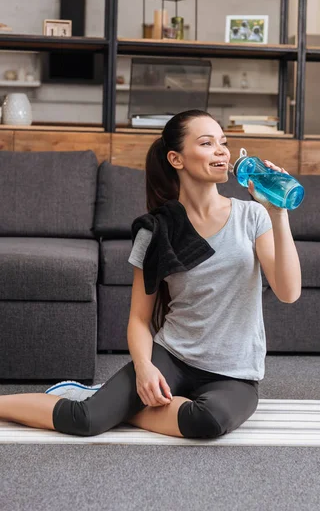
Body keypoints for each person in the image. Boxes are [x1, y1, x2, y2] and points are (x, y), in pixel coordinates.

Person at [0, 110, 301, 439]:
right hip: (171, 356)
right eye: (207, 143)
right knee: (85, 419)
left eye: (223, 143)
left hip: (233, 374)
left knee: (208, 422)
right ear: (176, 158)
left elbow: (288, 292)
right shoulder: (156, 229)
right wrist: (144, 370)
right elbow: (139, 319)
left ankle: (119, 408)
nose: (222, 151)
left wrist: (278, 213)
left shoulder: (253, 216)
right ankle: (100, 402)